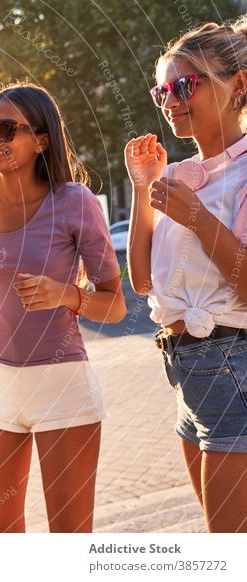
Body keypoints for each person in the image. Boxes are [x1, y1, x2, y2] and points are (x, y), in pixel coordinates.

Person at [0, 83, 126, 532]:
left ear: (41, 140)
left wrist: (66, 294)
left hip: (62, 385)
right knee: (0, 535)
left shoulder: (74, 202)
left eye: (6, 128)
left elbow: (117, 305)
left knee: (69, 536)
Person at [126, 15, 247, 532]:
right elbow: (142, 281)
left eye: (184, 84)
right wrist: (142, 187)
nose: (171, 99)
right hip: (184, 373)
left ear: (238, 85)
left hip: (231, 367)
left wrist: (195, 215)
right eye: (162, 91)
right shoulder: (172, 176)